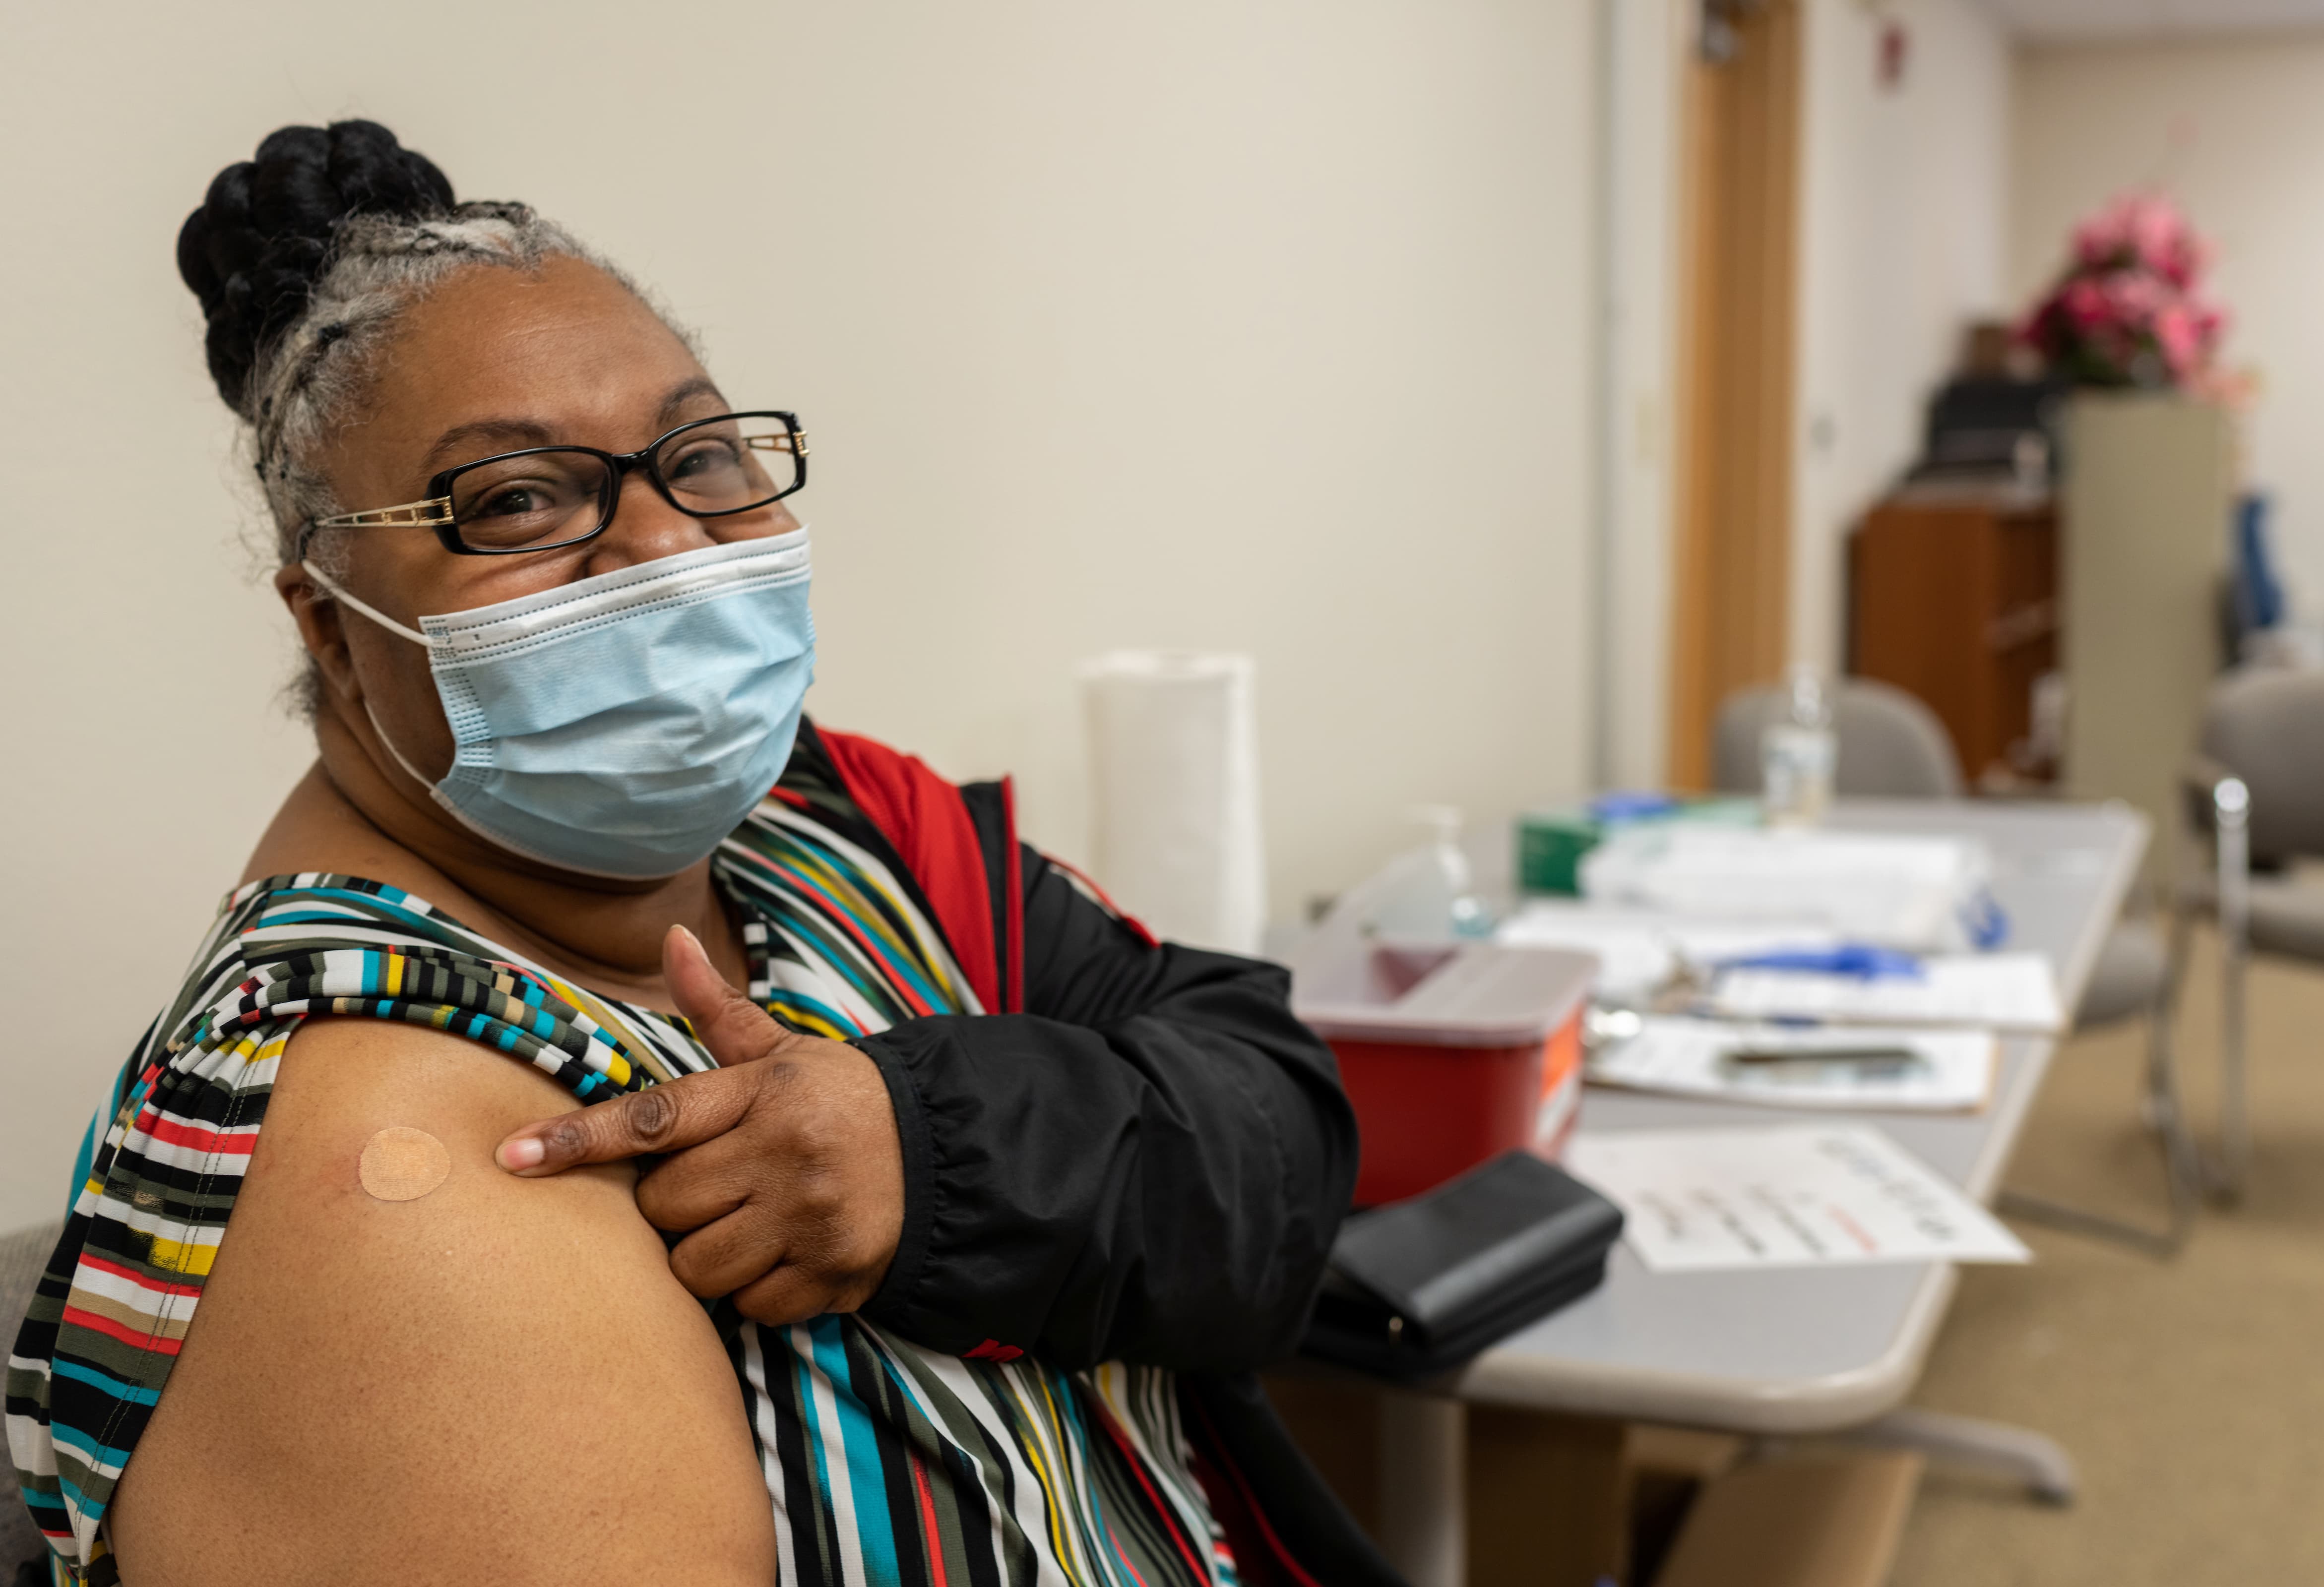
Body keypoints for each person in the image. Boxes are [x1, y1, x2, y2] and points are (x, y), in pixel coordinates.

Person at [4, 121, 1392, 1587]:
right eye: (520, 500)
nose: (666, 547)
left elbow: (1274, 1129)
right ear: (331, 625)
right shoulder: (385, 1154)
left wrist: (937, 1158)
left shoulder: (836, 831)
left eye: (703, 455)